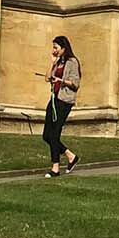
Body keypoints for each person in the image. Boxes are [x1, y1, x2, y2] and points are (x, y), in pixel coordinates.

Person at [42, 36, 80, 178]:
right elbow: (47, 78)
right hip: (54, 99)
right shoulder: (58, 62)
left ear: (63, 48)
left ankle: (55, 168)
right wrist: (52, 63)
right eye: (53, 47)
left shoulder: (72, 62)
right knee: (46, 135)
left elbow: (75, 83)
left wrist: (61, 80)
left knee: (54, 134)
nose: (54, 50)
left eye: (56, 47)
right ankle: (71, 156)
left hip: (65, 101)